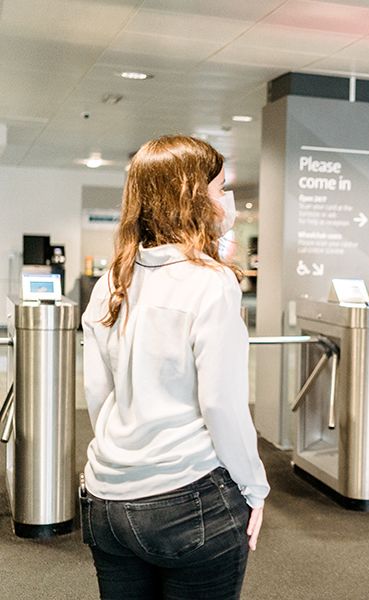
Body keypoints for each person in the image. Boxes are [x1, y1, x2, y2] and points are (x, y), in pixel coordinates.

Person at [80, 135, 270, 599]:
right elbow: (221, 404)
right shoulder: (211, 283)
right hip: (189, 499)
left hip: (107, 500)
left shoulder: (112, 280)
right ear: (191, 196)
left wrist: (125, 452)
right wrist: (254, 487)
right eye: (221, 188)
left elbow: (97, 395)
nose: (228, 201)